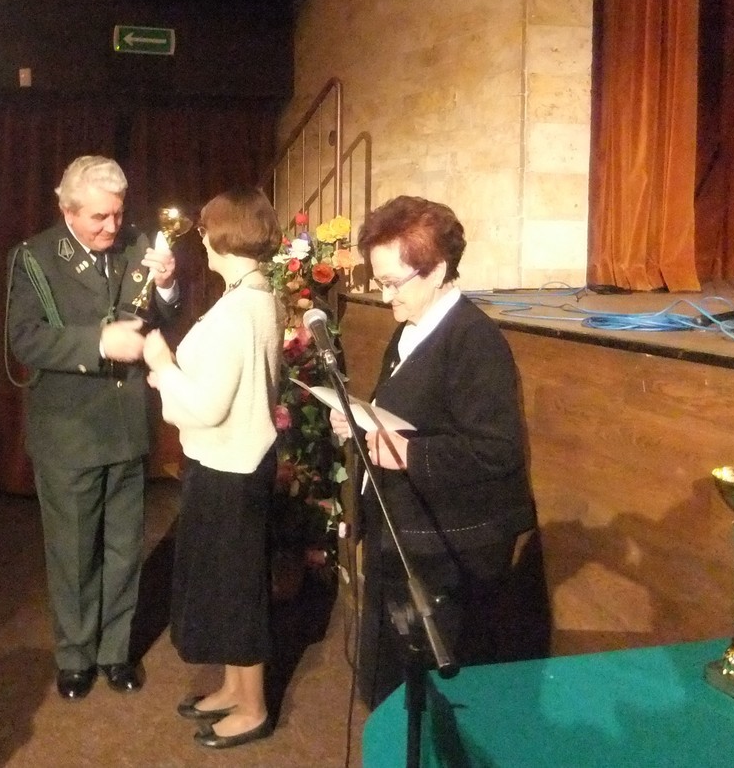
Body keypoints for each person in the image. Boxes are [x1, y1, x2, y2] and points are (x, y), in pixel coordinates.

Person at [328, 195, 539, 710]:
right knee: (389, 689)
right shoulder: (411, 328)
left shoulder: (474, 341)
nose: (385, 296)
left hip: (450, 553)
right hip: (405, 535)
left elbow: (498, 450)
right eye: (378, 282)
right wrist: (359, 422)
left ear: (438, 269)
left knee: (433, 700)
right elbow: (406, 412)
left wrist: (410, 455)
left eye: (393, 282)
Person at [4, 154, 180, 700]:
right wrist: (98, 343)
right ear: (67, 210)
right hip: (70, 430)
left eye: (118, 214)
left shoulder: (136, 244)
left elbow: (160, 315)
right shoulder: (34, 257)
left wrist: (168, 286)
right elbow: (24, 339)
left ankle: (115, 651)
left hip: (126, 424)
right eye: (99, 217)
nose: (112, 226)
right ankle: (76, 654)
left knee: (125, 548)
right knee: (74, 551)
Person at [141, 187, 284, 750]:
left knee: (236, 590)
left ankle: (253, 708)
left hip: (230, 468)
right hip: (232, 461)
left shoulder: (238, 312)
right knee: (227, 586)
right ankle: (233, 688)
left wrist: (162, 365)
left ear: (221, 236)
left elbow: (206, 407)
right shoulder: (254, 296)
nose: (200, 238)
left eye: (205, 229)